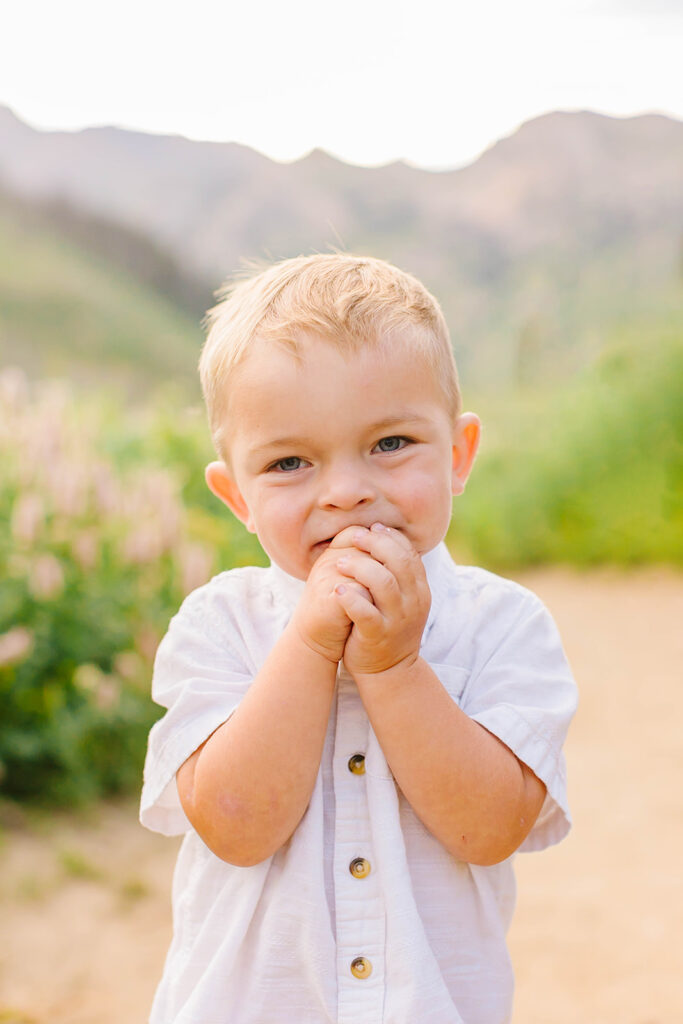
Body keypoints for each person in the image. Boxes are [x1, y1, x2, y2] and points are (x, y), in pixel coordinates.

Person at [140, 253, 577, 1024]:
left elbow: (488, 828)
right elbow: (235, 827)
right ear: (236, 496)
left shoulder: (503, 626)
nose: (344, 491)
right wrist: (310, 646)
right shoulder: (219, 626)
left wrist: (396, 667)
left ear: (457, 455)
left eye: (389, 445)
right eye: (289, 462)